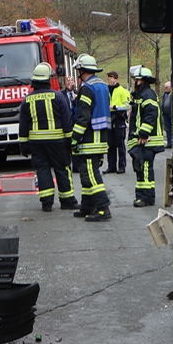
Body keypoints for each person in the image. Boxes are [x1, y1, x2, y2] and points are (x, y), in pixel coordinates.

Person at [18, 62, 79, 212]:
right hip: (58, 141)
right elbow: (66, 120)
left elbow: (23, 125)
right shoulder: (58, 96)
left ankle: (46, 202)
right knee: (62, 168)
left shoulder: (27, 100)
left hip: (37, 143)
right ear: (48, 79)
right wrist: (70, 140)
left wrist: (24, 145)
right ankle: (67, 200)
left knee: (42, 169)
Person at [70, 54, 112, 222]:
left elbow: (83, 116)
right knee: (86, 172)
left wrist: (75, 137)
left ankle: (103, 208)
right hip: (101, 136)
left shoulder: (87, 88)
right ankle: (87, 206)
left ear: (82, 70)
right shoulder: (102, 85)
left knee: (91, 173)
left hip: (89, 138)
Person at [127, 67, 165, 206]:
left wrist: (143, 133)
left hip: (148, 140)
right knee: (142, 167)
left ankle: (145, 197)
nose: (134, 82)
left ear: (141, 80)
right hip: (145, 140)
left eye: (136, 80)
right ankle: (144, 196)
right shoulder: (144, 94)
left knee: (145, 168)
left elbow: (151, 114)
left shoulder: (147, 95)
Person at [105, 71, 131, 174]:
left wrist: (115, 107)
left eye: (111, 78)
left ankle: (122, 166)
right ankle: (111, 166)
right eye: (108, 79)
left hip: (119, 117)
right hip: (109, 117)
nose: (110, 81)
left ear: (116, 79)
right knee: (110, 143)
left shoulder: (122, 91)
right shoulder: (107, 90)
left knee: (120, 143)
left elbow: (127, 105)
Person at [160, 80, 173, 148]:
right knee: (167, 129)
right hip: (165, 114)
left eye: (166, 87)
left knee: (172, 128)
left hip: (171, 114)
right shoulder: (165, 94)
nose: (165, 89)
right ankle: (169, 142)